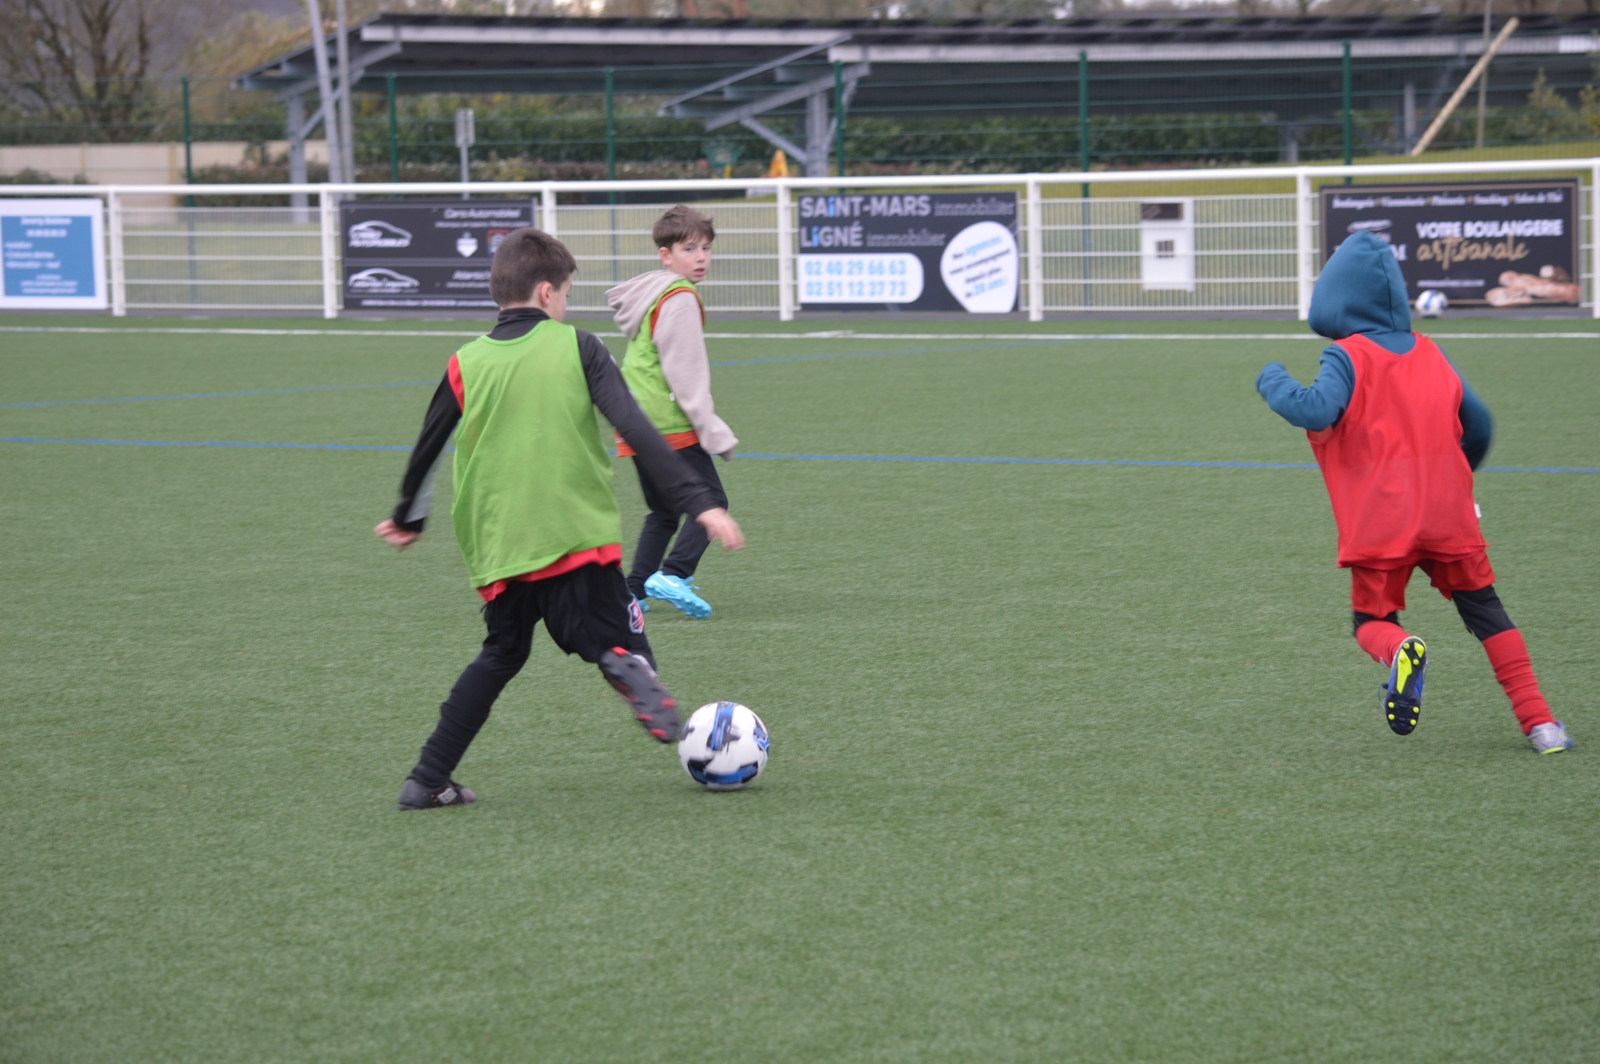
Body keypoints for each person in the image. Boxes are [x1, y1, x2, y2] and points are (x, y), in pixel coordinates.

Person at [375, 227, 745, 810]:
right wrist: (700, 501)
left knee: (503, 652)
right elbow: (636, 427)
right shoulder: (580, 346)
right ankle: (623, 662)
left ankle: (426, 779)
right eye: (568, 293)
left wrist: (407, 520)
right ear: (547, 292)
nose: (567, 304)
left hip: (498, 541)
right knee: (621, 634)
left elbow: (427, 447)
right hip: (572, 530)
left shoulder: (464, 362)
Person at [1255, 230, 1571, 754]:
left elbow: (1314, 409)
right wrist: (1454, 478)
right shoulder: (1431, 350)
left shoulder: (1347, 355)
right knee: (1487, 612)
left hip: (1383, 519)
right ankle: (1543, 725)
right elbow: (1481, 425)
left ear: (1336, 298)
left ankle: (1400, 649)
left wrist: (1272, 378)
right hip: (1448, 512)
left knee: (1371, 622)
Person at [607, 204, 738, 619]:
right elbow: (685, 374)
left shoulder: (654, 292)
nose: (700, 257)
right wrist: (710, 427)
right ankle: (674, 574)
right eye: (689, 249)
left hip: (634, 420)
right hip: (667, 422)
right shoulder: (679, 297)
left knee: (663, 511)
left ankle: (632, 593)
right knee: (711, 501)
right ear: (666, 255)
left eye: (705, 248)